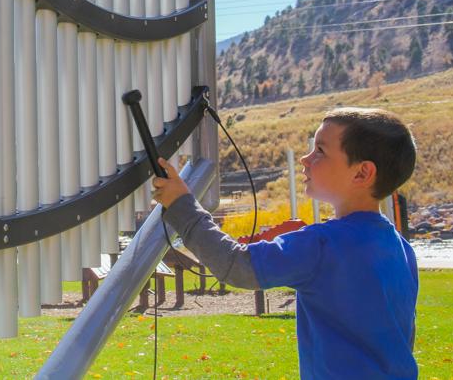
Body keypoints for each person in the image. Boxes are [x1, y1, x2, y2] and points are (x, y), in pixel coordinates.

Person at [155, 107, 418, 380]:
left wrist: (181, 205)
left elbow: (235, 265)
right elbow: (403, 337)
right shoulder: (402, 249)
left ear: (362, 173)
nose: (305, 159)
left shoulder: (322, 244)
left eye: (320, 151)